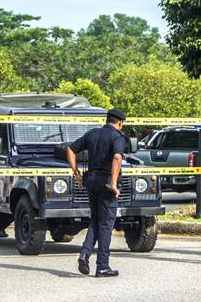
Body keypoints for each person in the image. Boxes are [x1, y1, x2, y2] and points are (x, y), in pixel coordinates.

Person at [67, 109, 127, 277]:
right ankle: (102, 266)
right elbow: (117, 158)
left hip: (91, 182)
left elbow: (70, 149)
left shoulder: (92, 133)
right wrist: (114, 183)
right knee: (106, 224)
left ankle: (84, 254)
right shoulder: (117, 137)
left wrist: (76, 173)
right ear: (120, 123)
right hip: (106, 183)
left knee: (95, 219)